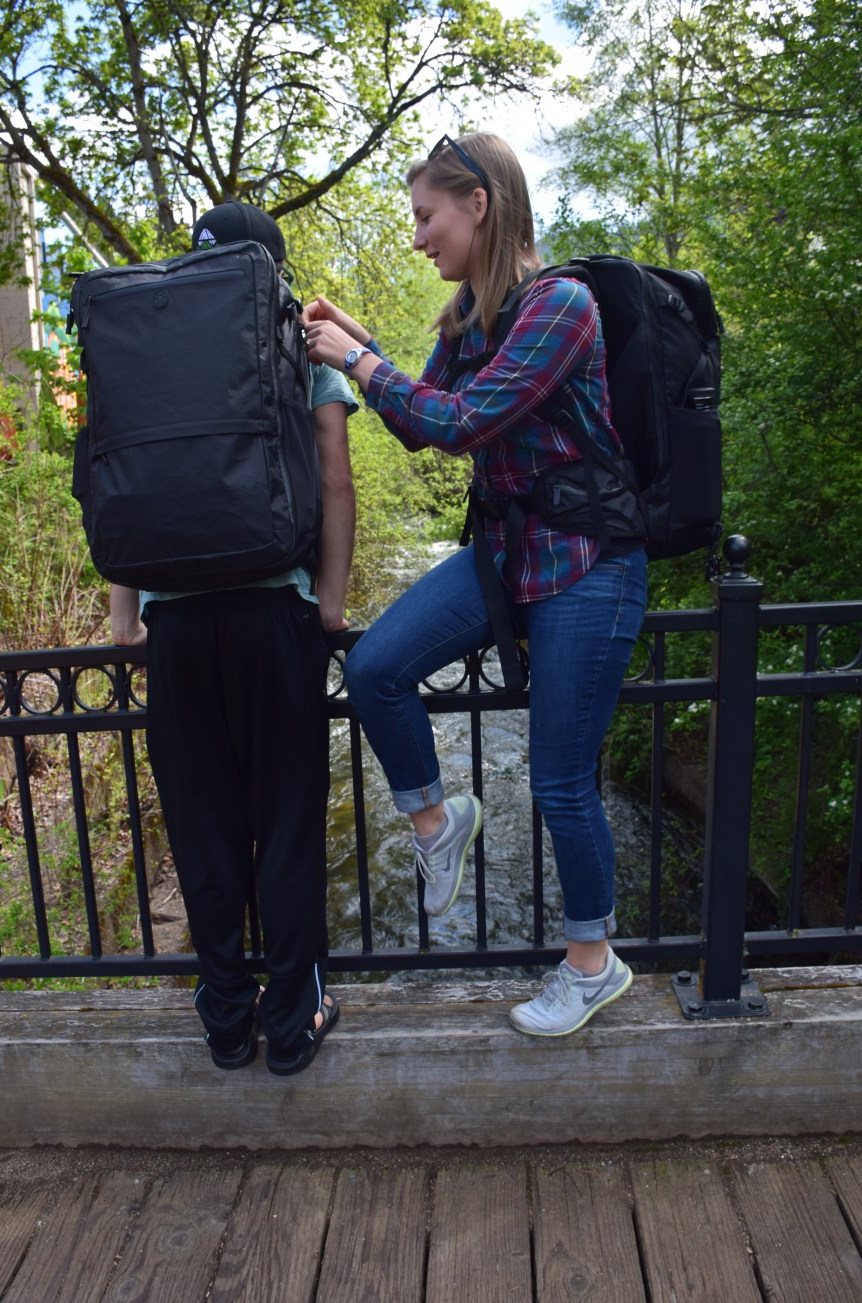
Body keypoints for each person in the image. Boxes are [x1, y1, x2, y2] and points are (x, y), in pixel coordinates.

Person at [303, 132, 648, 1037]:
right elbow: (422, 424)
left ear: (480, 204)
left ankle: (591, 961)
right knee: (375, 665)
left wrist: (357, 360)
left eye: (426, 215)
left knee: (561, 780)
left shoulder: (562, 306)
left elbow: (465, 424)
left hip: (588, 563)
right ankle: (435, 821)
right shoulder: (465, 320)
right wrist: (365, 347)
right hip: (505, 558)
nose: (418, 236)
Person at [111, 201, 357, 1074]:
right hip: (272, 616)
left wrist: (124, 617)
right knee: (286, 824)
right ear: (274, 268)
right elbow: (333, 482)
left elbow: (126, 483)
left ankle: (224, 1021)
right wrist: (328, 603)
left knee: (204, 827)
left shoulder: (149, 344)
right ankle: (293, 1022)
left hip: (175, 627)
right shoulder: (296, 339)